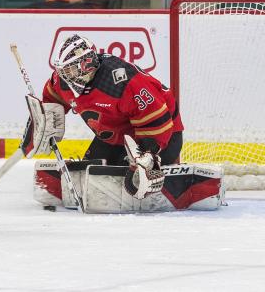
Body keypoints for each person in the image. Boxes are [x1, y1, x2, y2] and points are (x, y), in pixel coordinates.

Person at [22, 34, 183, 199]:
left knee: (133, 182)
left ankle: (163, 173)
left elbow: (157, 120)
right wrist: (41, 121)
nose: (63, 75)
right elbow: (52, 99)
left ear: (86, 65)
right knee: (88, 176)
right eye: (62, 70)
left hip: (163, 135)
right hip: (114, 136)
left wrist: (148, 156)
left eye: (69, 70)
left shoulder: (121, 83)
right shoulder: (63, 81)